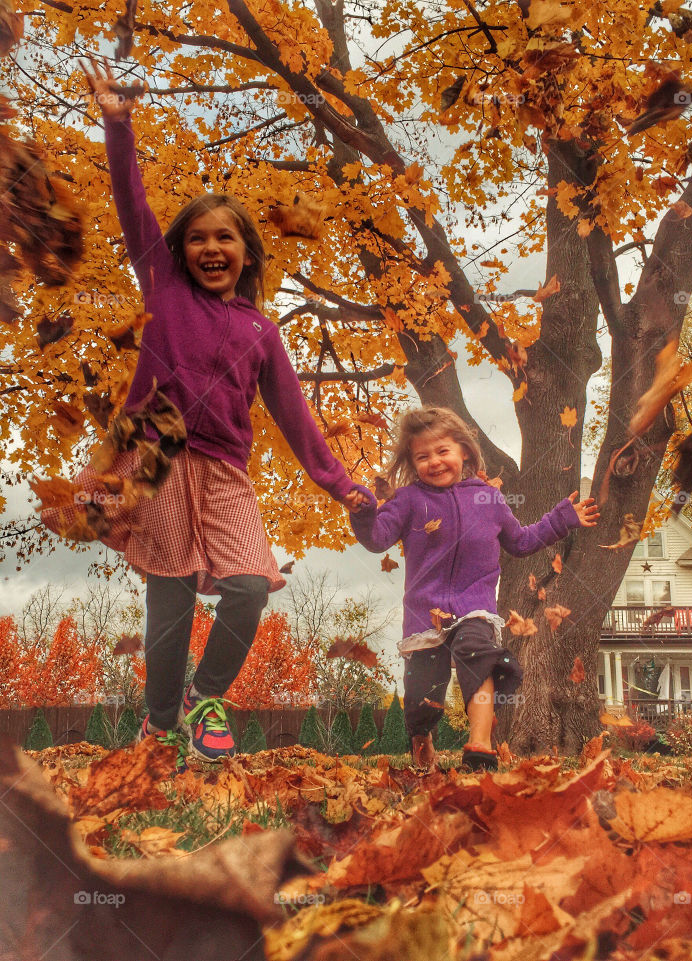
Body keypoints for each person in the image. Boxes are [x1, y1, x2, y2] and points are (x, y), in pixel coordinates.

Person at [76, 62, 367, 762]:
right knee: (171, 598)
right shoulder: (163, 286)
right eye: (198, 238)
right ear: (178, 252)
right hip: (158, 456)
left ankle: (208, 695)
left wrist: (342, 482)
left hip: (227, 471)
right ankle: (159, 723)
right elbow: (130, 201)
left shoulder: (262, 332)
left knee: (248, 584)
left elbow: (296, 417)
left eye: (225, 238)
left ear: (246, 255)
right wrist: (118, 122)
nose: (211, 247)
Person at [350, 407, 599, 771]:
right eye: (423, 456)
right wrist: (363, 513)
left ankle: (480, 746)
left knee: (477, 655)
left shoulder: (488, 499)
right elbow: (376, 539)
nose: (434, 462)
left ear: (464, 450)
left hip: (475, 607)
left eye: (442, 451)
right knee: (423, 692)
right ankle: (422, 738)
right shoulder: (406, 501)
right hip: (425, 613)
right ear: (412, 461)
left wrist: (562, 519)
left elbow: (522, 541)